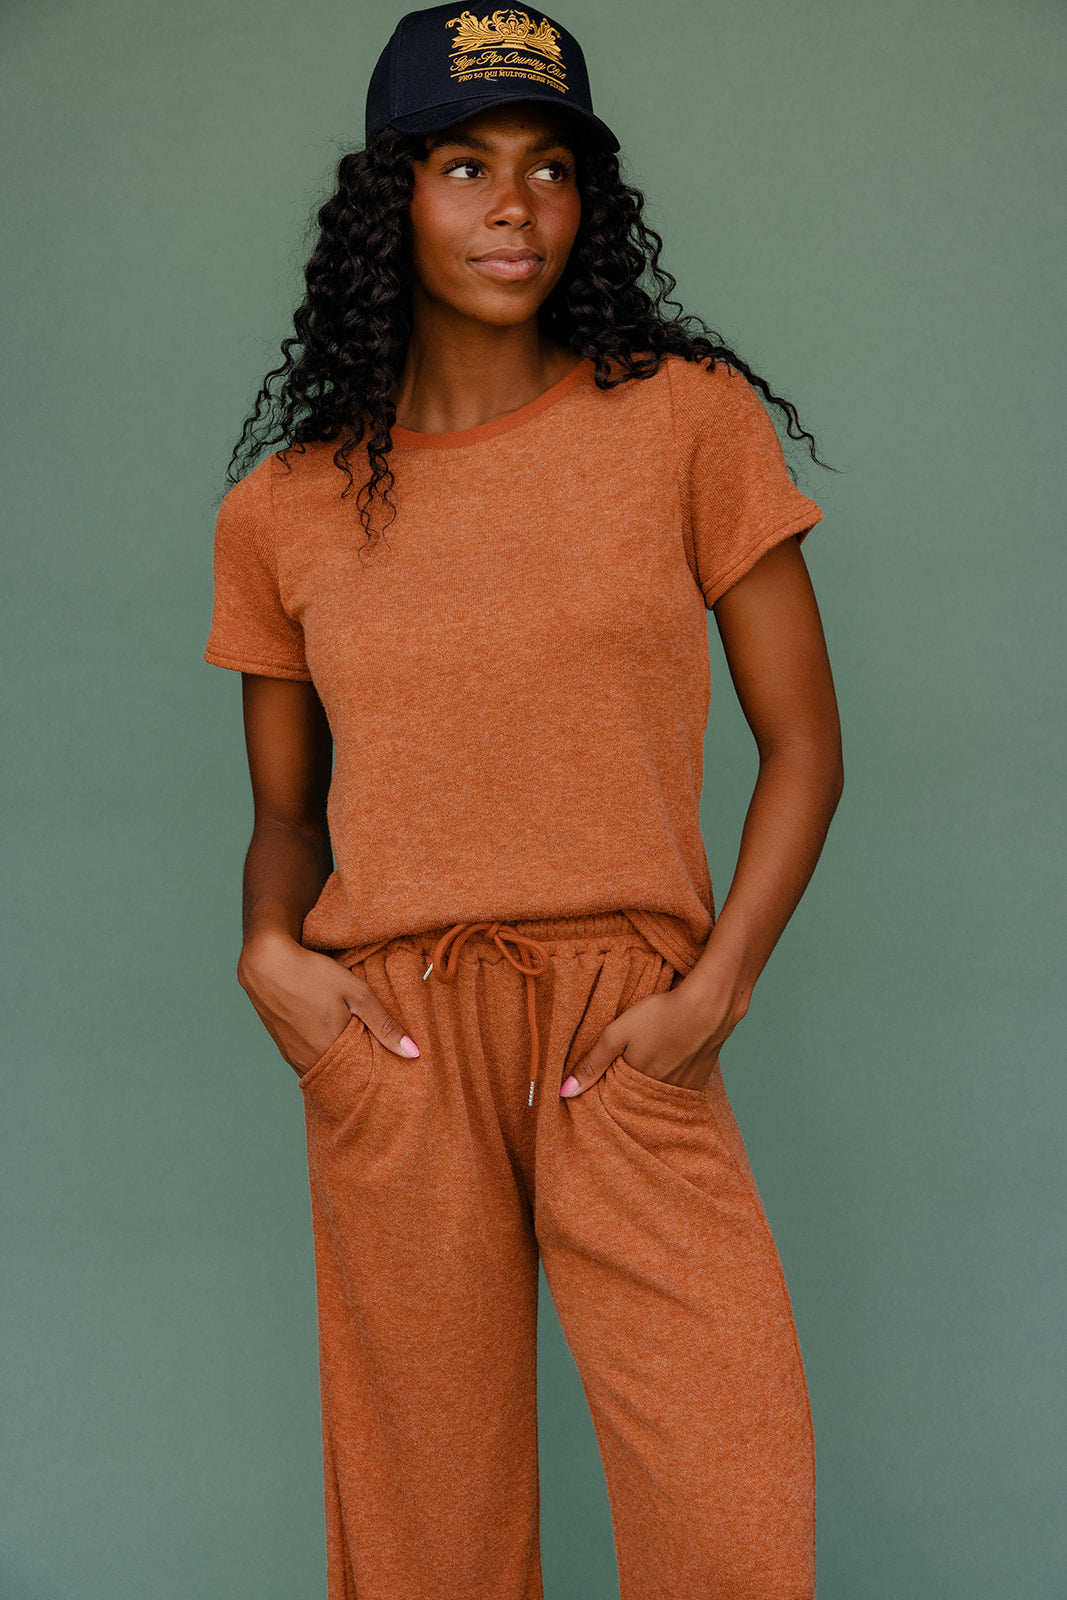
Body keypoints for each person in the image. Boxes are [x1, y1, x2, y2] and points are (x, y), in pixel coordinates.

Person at [203, 6, 844, 1597]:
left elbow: (806, 744)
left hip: (627, 1023)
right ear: (391, 200)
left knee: (733, 1502)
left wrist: (716, 989)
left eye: (552, 168)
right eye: (467, 167)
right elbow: (287, 814)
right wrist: (271, 953)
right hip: (399, 1036)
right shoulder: (283, 508)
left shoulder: (685, 421)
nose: (516, 206)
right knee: (427, 1534)